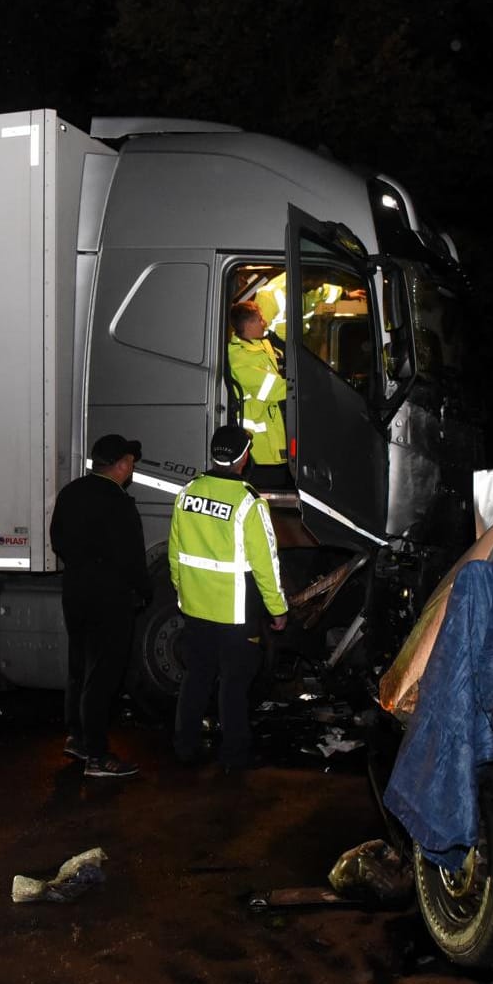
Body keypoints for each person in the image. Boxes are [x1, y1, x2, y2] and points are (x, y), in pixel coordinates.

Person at [168, 425, 289, 771]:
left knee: (197, 677)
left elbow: (175, 554)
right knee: (235, 686)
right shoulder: (249, 503)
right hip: (235, 615)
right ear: (243, 457)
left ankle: (185, 746)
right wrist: (277, 609)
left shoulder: (188, 492)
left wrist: (183, 591)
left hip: (195, 610)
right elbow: (267, 564)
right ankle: (234, 757)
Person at [49, 433, 151, 778]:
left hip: (75, 591)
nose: (131, 469)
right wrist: (144, 590)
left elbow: (57, 540)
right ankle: (97, 756)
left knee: (79, 666)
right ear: (121, 465)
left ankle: (76, 737)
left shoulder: (71, 493)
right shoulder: (119, 502)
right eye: (131, 463)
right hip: (110, 596)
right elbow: (133, 557)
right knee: (104, 674)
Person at [226, 301, 289, 471]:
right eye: (260, 320)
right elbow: (268, 387)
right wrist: (300, 388)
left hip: (272, 420)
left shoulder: (260, 343)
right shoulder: (238, 355)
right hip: (258, 433)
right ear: (248, 324)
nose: (265, 323)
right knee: (268, 476)